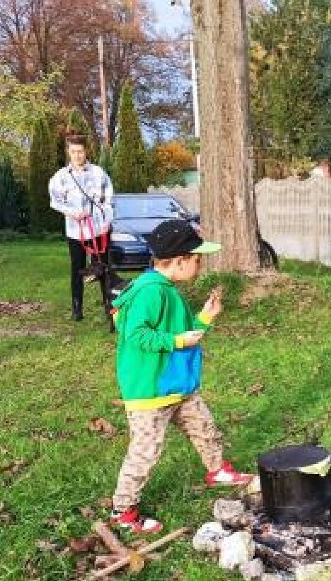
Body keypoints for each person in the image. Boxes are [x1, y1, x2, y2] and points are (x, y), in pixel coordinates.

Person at [108, 219, 255, 534]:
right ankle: (122, 510)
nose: (200, 264)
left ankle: (218, 470)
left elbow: (187, 332)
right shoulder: (151, 293)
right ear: (177, 261)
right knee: (145, 451)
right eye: (197, 258)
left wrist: (205, 318)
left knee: (204, 427)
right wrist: (175, 341)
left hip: (178, 386)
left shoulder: (167, 290)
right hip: (151, 391)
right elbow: (135, 334)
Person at [48, 134, 114, 321]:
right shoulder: (60, 177)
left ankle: (109, 306)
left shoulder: (98, 173)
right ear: (68, 152)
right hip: (76, 230)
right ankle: (77, 308)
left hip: (99, 229)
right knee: (77, 268)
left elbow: (109, 198)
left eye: (81, 151)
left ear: (86, 151)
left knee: (103, 268)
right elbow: (55, 201)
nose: (77, 155)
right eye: (74, 151)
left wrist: (107, 219)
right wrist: (72, 212)